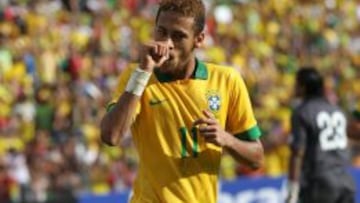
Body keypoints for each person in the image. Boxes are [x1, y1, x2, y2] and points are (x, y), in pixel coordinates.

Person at [100, 0, 264, 202]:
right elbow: (110, 136)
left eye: (178, 36)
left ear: (199, 39)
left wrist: (226, 139)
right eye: (161, 32)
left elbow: (256, 158)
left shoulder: (227, 80)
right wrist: (142, 72)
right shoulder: (137, 76)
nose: (166, 44)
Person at [286, 67, 355, 203]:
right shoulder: (337, 110)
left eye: (297, 83)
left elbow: (298, 152)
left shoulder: (302, 112)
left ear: (304, 87)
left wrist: (292, 190)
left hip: (319, 182)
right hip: (345, 180)